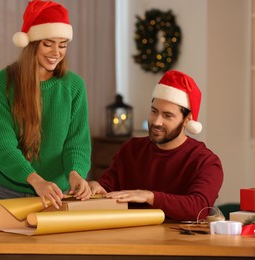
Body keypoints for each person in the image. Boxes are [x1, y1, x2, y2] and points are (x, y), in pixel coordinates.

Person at [0, 0, 92, 217]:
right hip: (3, 192)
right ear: (31, 44)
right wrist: (36, 180)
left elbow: (77, 142)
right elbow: (4, 148)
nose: (56, 52)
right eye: (48, 44)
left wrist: (76, 173)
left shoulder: (74, 86)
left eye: (63, 44)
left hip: (55, 195)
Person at [89, 70, 224, 221]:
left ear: (187, 120)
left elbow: (199, 208)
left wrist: (149, 196)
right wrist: (95, 187)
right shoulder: (130, 149)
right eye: (154, 111)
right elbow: (106, 187)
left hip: (178, 241)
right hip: (129, 239)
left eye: (167, 115)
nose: (156, 122)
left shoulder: (206, 161)